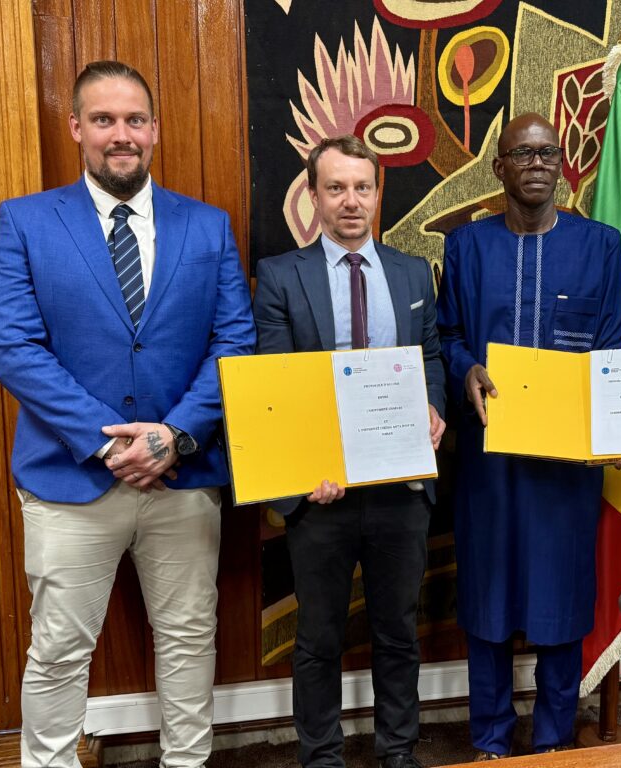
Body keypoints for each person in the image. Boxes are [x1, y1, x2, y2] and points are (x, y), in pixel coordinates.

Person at [0, 61, 256, 768]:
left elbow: (235, 340)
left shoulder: (208, 226)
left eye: (135, 120)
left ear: (155, 129)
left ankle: (187, 763)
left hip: (183, 475)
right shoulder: (25, 222)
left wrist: (173, 435)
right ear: (76, 127)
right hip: (70, 480)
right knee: (59, 648)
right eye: (103, 120)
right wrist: (107, 443)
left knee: (189, 636)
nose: (121, 134)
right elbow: (12, 346)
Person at [435, 113, 621, 759]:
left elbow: (613, 346)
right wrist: (466, 370)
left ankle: (553, 740)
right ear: (500, 167)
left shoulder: (599, 245)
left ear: (563, 164)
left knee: (561, 600)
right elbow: (446, 335)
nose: (538, 163)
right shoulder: (467, 246)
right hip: (488, 460)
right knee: (487, 600)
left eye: (548, 152)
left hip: (565, 463)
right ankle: (491, 740)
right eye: (522, 153)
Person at [252, 135, 446, 768]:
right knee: (318, 639)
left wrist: (434, 406)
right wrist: (310, 467)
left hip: (400, 489)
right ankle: (322, 758)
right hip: (322, 494)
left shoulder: (413, 273)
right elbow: (277, 384)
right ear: (313, 195)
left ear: (378, 193)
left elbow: (431, 355)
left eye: (362, 187)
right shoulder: (282, 276)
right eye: (336, 188)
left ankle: (398, 752)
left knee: (398, 631)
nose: (351, 201)